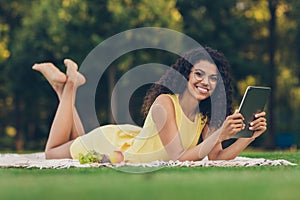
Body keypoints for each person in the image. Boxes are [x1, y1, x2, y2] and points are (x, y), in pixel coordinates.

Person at [32, 47, 267, 163]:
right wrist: (219, 136)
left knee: (76, 137)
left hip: (127, 143)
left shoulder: (208, 115)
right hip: (114, 144)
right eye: (199, 74)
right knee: (52, 153)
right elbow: (179, 158)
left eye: (213, 78)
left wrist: (249, 136)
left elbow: (216, 157)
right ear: (185, 74)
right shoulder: (164, 104)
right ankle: (70, 84)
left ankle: (62, 87)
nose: (205, 82)